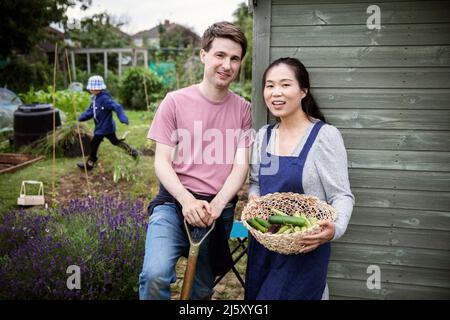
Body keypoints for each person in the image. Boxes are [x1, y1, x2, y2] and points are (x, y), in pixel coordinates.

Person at [139, 22, 252, 300]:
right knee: (154, 275)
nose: (227, 65)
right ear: (204, 55)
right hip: (173, 205)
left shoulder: (243, 110)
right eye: (220, 55)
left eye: (234, 58)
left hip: (217, 210)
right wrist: (187, 201)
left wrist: (216, 205)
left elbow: (241, 166)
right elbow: (162, 163)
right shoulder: (174, 102)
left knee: (201, 289)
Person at [245, 57, 355, 300]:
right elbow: (255, 184)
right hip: (265, 247)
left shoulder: (325, 136)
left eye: (285, 85)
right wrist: (253, 200)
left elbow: (341, 195)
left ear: (303, 91)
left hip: (305, 249)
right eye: (270, 85)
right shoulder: (263, 136)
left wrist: (334, 230)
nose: (276, 93)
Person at [77, 75, 138, 170]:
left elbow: (117, 107)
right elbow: (90, 111)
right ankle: (132, 152)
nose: (90, 90)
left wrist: (122, 117)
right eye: (91, 88)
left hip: (105, 127)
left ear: (98, 89)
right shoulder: (95, 98)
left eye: (92, 88)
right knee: (115, 142)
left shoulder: (105, 99)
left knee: (94, 143)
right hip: (103, 127)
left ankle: (90, 163)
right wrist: (81, 117)